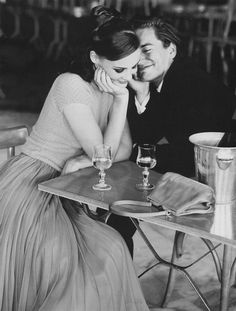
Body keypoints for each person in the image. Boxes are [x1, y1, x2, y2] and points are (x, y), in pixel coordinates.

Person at [0, 6, 150, 311]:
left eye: (133, 69)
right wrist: (121, 103)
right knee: (64, 264)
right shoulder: (71, 85)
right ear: (95, 58)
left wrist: (85, 160)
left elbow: (123, 149)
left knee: (113, 248)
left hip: (67, 185)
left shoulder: (109, 86)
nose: (127, 78)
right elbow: (105, 157)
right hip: (32, 186)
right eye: (120, 69)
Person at [127, 16, 236, 177]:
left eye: (146, 49)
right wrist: (142, 94)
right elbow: (147, 138)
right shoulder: (159, 82)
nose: (139, 60)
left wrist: (129, 152)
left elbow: (189, 159)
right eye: (134, 53)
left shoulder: (193, 84)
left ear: (171, 50)